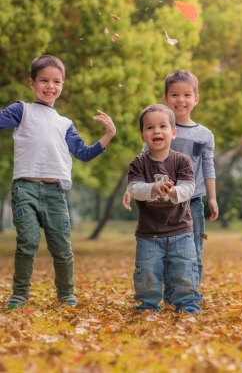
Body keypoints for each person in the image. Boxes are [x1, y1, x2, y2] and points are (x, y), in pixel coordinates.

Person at [0, 55, 116, 309]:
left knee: (62, 247)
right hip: (25, 189)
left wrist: (108, 135)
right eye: (44, 80)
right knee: (27, 242)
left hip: (55, 192)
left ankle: (66, 294)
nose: (50, 86)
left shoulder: (65, 124)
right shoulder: (22, 110)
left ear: (62, 85)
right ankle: (19, 295)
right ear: (32, 83)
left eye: (56, 81)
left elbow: (84, 153)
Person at [123, 70, 218, 303]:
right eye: (174, 94)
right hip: (159, 202)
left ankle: (188, 294)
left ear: (196, 98)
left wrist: (212, 198)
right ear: (166, 98)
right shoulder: (158, 125)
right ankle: (167, 293)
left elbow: (208, 167)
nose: (181, 99)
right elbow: (141, 165)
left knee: (192, 250)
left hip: (192, 200)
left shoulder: (204, 135)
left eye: (187, 94)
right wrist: (130, 189)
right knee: (163, 249)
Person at [127, 103, 200, 313]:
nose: (156, 131)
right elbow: (134, 188)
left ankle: (186, 304)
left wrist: (173, 191)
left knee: (184, 270)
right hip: (149, 234)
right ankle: (148, 305)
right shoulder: (138, 163)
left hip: (181, 231)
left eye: (162, 126)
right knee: (147, 272)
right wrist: (154, 187)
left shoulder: (181, 161)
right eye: (150, 128)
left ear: (173, 132)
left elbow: (189, 187)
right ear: (142, 135)